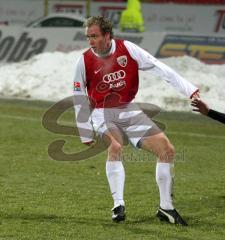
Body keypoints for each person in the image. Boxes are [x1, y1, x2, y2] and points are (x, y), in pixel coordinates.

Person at [73, 16, 199, 226]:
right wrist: (84, 131)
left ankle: (166, 207)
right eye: (88, 37)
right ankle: (118, 204)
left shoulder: (128, 49)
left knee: (166, 150)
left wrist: (189, 89)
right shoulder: (84, 60)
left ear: (107, 35)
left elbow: (159, 67)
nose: (90, 41)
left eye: (94, 36)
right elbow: (78, 96)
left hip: (128, 109)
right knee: (115, 145)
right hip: (101, 112)